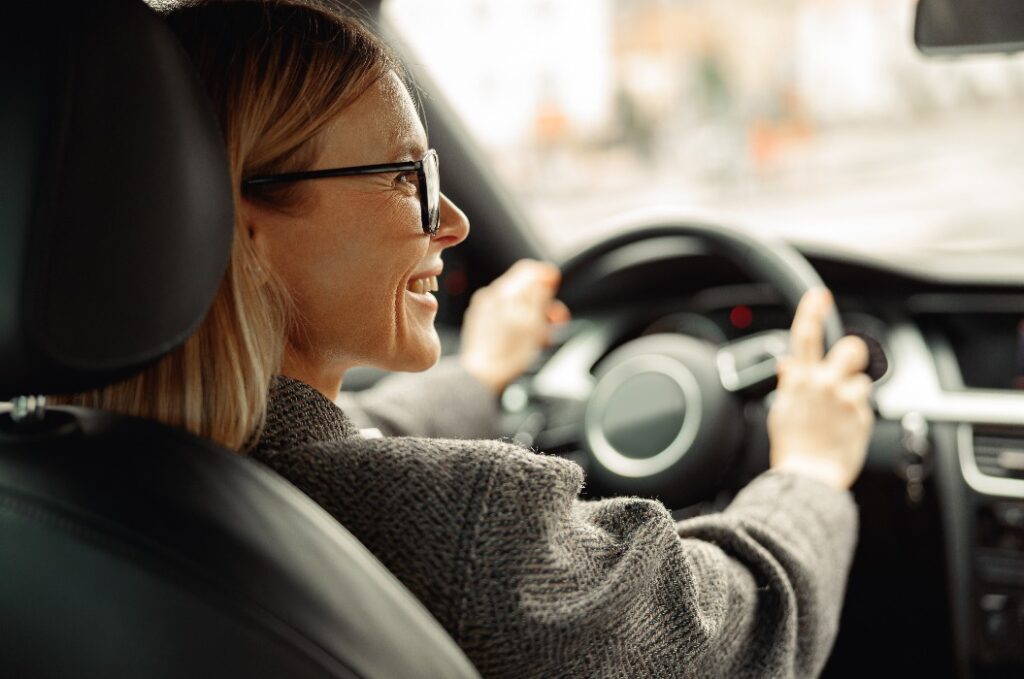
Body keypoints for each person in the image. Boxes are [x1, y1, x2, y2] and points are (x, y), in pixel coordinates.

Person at [68, 1, 875, 675]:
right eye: (404, 178)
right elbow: (742, 633)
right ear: (243, 228)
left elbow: (354, 445)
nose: (451, 222)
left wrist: (482, 373)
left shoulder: (79, 473)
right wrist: (808, 469)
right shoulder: (472, 524)